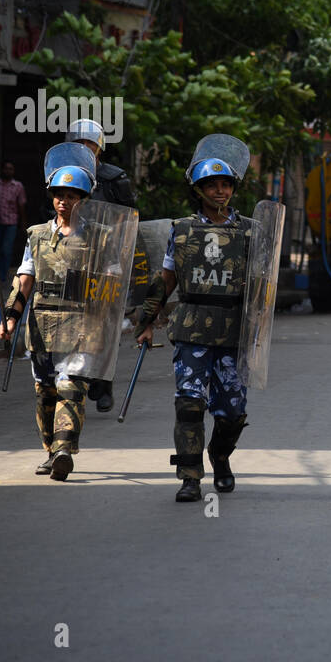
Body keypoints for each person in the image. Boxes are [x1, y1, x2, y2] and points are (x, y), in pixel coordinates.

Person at [136, 135, 258, 502]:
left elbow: (262, 285)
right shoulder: (183, 230)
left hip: (234, 329)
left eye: (225, 185)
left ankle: (220, 457)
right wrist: (146, 320)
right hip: (191, 326)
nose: (220, 191)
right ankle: (189, 476)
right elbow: (166, 278)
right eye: (212, 185)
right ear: (199, 189)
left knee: (233, 410)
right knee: (189, 403)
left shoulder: (251, 231)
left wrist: (261, 328)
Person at [0, 146, 100, 481]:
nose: (64, 202)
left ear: (83, 199)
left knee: (71, 389)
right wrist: (10, 317)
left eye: (72, 196)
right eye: (59, 195)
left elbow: (112, 283)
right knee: (46, 392)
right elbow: (25, 280)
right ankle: (50, 450)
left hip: (81, 324)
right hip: (42, 323)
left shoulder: (99, 238)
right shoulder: (37, 236)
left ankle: (64, 450)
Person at [65, 118, 138, 413]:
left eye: (90, 144)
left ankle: (103, 382)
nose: (85, 148)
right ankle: (74, 378)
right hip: (73, 259)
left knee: (106, 324)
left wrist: (119, 253)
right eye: (79, 143)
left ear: (99, 147)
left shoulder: (113, 178)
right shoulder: (64, 176)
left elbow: (129, 216)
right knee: (73, 321)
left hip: (108, 260)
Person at [0, 161, 27, 283]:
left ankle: (3, 276)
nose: (8, 171)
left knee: (6, 250)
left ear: (13, 171)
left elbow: (21, 205)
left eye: (10, 169)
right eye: (6, 169)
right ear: (2, 170)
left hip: (11, 223)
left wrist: (23, 223)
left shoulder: (18, 186)